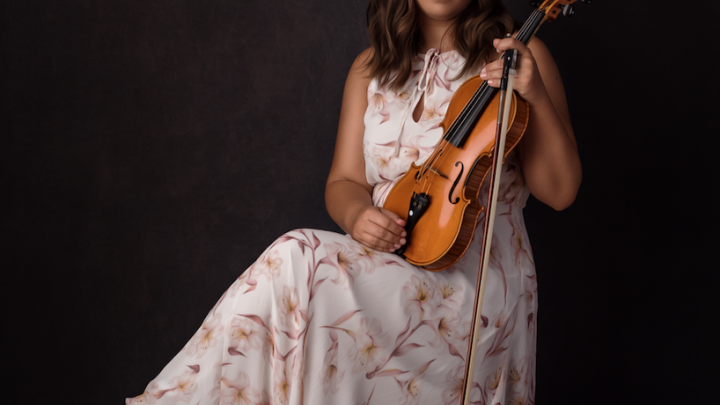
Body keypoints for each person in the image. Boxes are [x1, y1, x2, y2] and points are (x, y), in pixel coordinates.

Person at [127, 0, 581, 404]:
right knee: (296, 290)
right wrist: (357, 215)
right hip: (383, 273)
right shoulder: (370, 68)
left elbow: (560, 192)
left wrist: (535, 94)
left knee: (296, 256)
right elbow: (344, 181)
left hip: (471, 294)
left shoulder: (519, 56)